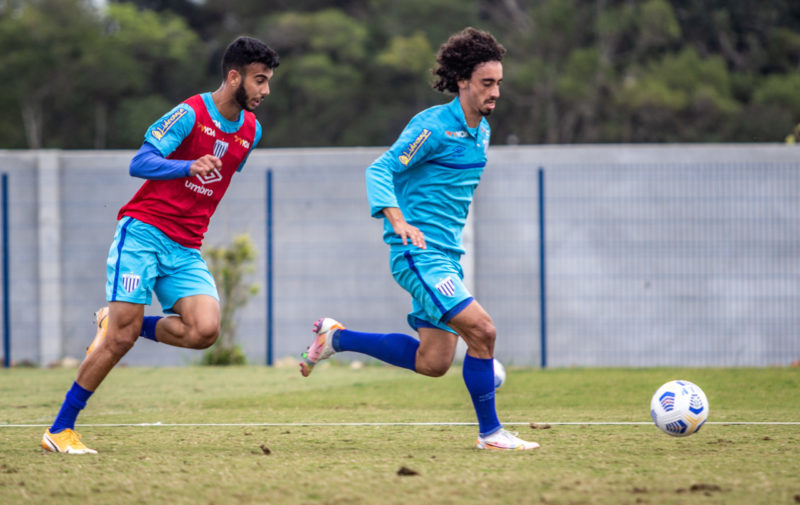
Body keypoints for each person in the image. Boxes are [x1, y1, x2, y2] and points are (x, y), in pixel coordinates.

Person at [300, 27, 538, 451]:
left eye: (499, 83)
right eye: (487, 83)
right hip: (418, 255)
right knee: (483, 332)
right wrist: (398, 220)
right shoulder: (432, 126)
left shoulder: (480, 131)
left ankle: (335, 337)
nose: (496, 92)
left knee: (434, 361)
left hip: (446, 255)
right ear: (462, 81)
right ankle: (491, 434)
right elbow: (380, 169)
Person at [41, 36, 280, 454]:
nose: (265, 91)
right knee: (121, 339)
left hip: (185, 247)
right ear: (233, 76)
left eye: (268, 81)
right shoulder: (190, 113)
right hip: (144, 232)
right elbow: (140, 163)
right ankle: (60, 430)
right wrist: (187, 164)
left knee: (204, 330)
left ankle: (112, 321)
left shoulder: (251, 131)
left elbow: (218, 178)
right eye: (259, 80)